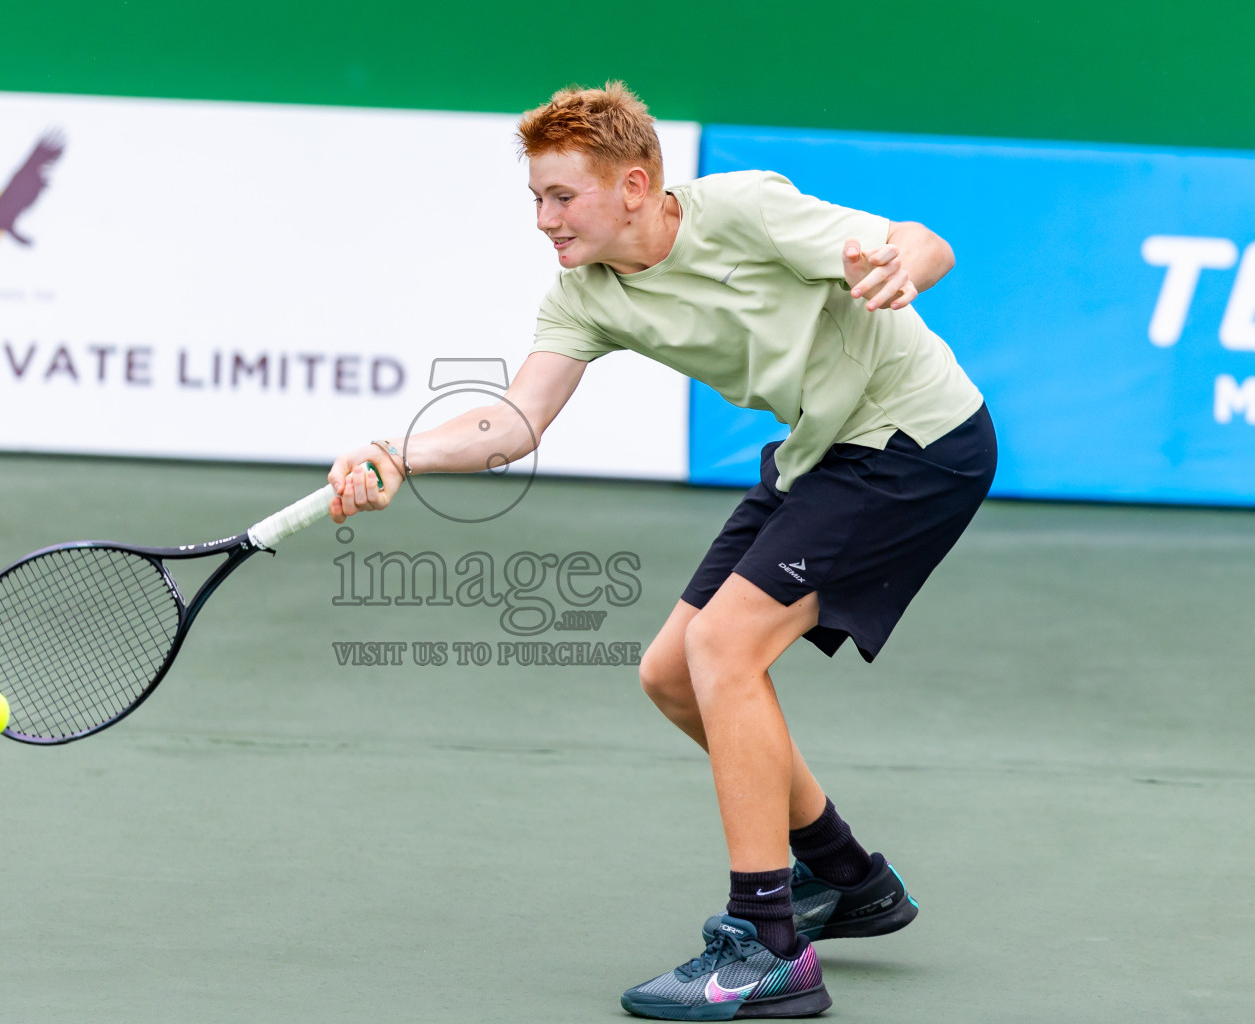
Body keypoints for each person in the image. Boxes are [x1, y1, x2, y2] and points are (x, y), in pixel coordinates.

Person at [326, 81, 996, 1020]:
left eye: (562, 197)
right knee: (674, 673)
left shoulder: (747, 208)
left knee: (725, 649)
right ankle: (847, 878)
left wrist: (899, 271)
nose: (544, 220)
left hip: (913, 442)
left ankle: (767, 942)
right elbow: (515, 420)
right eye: (534, 199)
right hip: (820, 451)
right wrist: (401, 452)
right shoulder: (585, 296)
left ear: (634, 186)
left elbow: (921, 239)